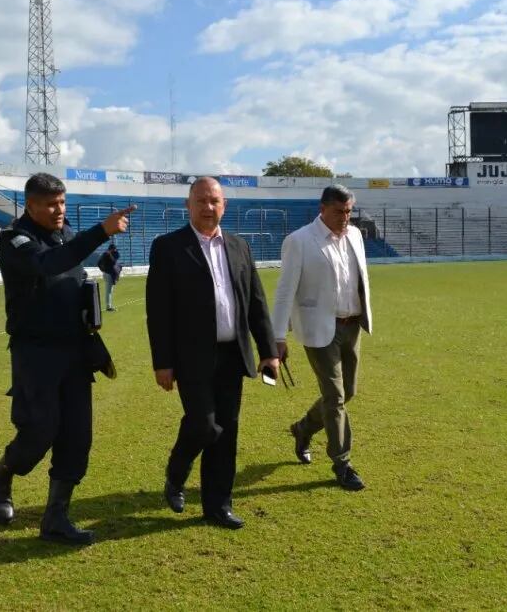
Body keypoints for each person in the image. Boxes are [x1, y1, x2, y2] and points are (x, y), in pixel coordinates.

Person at [0, 172, 133, 545]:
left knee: (77, 437)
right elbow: (49, 264)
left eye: (63, 203)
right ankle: (2, 473)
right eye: (51, 204)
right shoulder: (14, 239)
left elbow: (71, 273)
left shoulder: (67, 233)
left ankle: (56, 520)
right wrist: (101, 231)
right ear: (30, 205)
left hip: (76, 351)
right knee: (39, 432)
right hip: (36, 353)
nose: (59, 210)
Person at [146, 177, 279, 529]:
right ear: (188, 205)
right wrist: (163, 362)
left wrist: (268, 351)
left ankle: (218, 506)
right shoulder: (168, 247)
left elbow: (256, 302)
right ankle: (177, 473)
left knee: (228, 431)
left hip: (233, 355)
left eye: (215, 201)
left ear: (225, 206)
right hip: (191, 357)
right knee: (205, 426)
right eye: (202, 201)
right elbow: (158, 311)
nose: (209, 207)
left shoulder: (239, 246)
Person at [272, 184, 373, 491]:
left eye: (349, 211)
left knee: (347, 392)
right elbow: (285, 290)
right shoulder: (299, 241)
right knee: (335, 396)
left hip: (352, 325)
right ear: (323, 209)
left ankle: (303, 429)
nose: (346, 217)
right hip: (319, 328)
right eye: (339, 211)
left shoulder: (355, 235)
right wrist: (278, 336)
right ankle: (342, 464)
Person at [96, 244, 122, 311]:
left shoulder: (116, 254)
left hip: (109, 274)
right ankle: (108, 307)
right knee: (109, 291)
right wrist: (103, 270)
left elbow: (113, 261)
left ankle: (109, 305)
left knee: (109, 290)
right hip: (108, 274)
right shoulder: (105, 254)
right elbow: (99, 263)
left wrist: (109, 254)